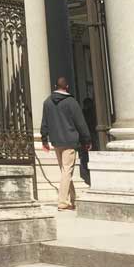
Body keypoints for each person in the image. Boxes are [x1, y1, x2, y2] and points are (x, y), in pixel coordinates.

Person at [41, 77, 92, 211]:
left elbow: (44, 122)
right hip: (69, 141)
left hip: (56, 141)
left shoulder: (47, 102)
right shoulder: (71, 102)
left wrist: (44, 139)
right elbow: (80, 123)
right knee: (67, 171)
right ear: (67, 87)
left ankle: (72, 199)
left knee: (65, 170)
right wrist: (87, 140)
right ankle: (63, 202)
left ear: (55, 86)